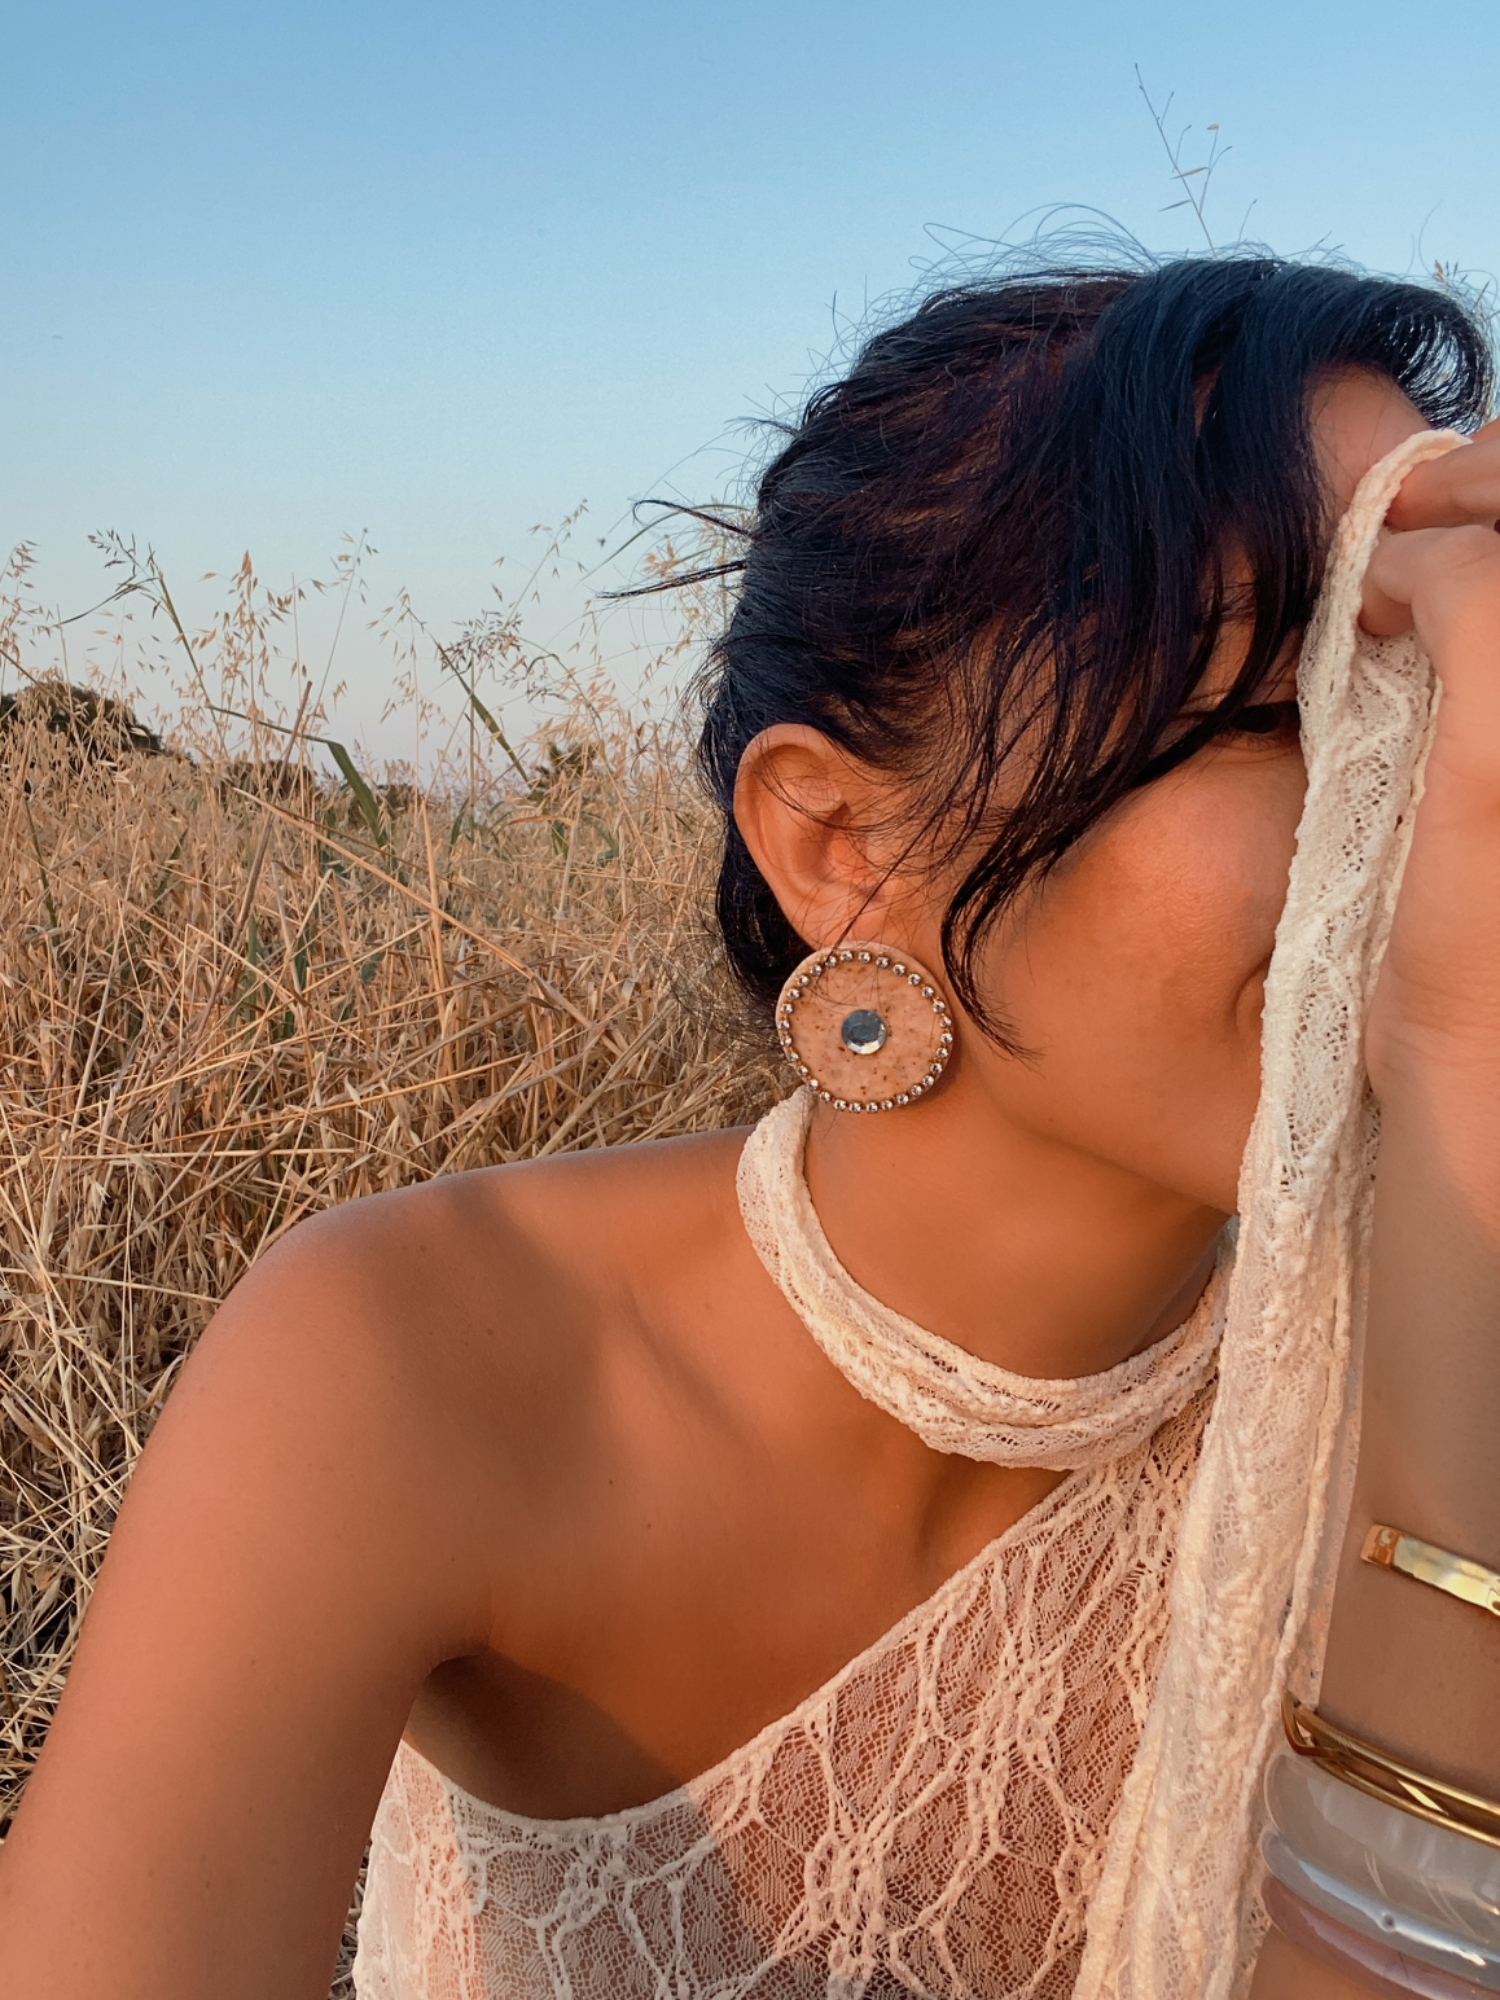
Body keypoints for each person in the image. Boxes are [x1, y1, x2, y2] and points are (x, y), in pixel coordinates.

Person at [0, 253, 1496, 2000]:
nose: (1436, 822)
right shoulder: (417, 1354)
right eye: (1297, 713)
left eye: (1442, 711)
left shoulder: (1409, 1344)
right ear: (838, 846)